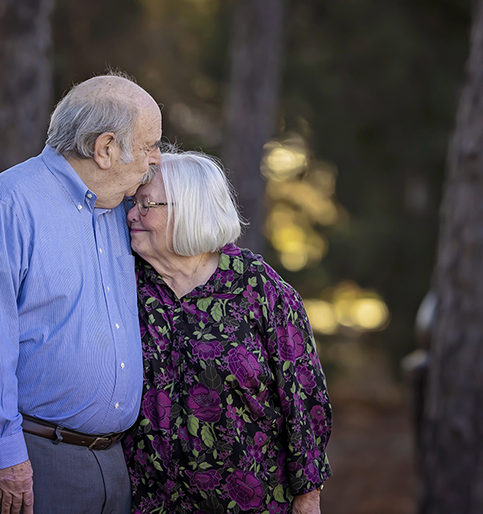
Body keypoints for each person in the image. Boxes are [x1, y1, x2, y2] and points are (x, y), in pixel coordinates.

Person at [0, 74, 163, 514]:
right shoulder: (8, 205)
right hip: (35, 457)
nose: (156, 161)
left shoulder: (121, 210)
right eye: (149, 146)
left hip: (113, 462)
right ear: (105, 149)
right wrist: (7, 458)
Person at [123, 150, 332, 514]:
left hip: (252, 502)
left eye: (146, 204)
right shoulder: (127, 286)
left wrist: (307, 495)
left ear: (189, 208)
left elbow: (304, 398)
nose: (130, 215)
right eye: (133, 202)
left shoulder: (257, 287)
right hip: (149, 503)